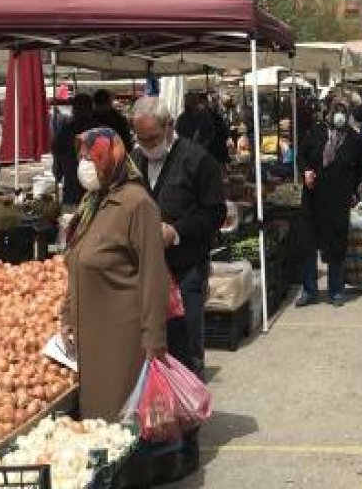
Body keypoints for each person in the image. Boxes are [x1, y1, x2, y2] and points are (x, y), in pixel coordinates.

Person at [59, 128, 174, 481]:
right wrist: (67, 315)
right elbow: (76, 263)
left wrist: (154, 340)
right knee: (98, 425)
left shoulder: (137, 205)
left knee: (119, 426)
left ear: (110, 157)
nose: (83, 164)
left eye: (89, 156)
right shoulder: (92, 204)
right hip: (91, 335)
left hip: (122, 340)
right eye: (81, 157)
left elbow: (154, 276)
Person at [128, 97, 223, 480]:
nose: (147, 145)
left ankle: (188, 442)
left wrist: (177, 231)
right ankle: (158, 433)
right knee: (153, 351)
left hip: (185, 271)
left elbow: (215, 213)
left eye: (153, 138)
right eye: (141, 139)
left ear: (169, 128)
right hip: (146, 275)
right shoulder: (134, 162)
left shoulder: (197, 161)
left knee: (185, 351)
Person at [296, 101, 362, 307]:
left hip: (338, 199)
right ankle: (309, 290)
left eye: (343, 112)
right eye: (336, 111)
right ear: (329, 113)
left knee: (336, 244)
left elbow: (361, 166)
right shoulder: (315, 132)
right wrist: (306, 171)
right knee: (307, 243)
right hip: (312, 198)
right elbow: (301, 156)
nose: (339, 116)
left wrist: (354, 190)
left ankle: (336, 290)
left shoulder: (354, 139)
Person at [54, 94, 98, 206]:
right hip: (97, 194)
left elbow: (57, 170)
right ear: (91, 109)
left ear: (73, 110)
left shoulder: (65, 132)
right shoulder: (101, 131)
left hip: (72, 193)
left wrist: (59, 173)